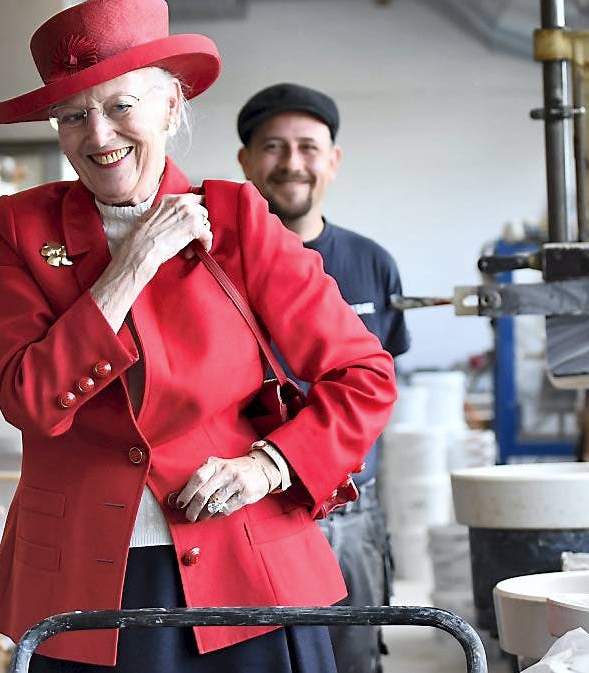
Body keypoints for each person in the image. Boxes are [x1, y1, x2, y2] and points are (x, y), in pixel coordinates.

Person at [0, 1, 396, 670]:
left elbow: (364, 375)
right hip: (83, 580)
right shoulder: (19, 230)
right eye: (74, 115)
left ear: (170, 105)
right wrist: (134, 262)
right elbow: (28, 397)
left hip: (246, 572)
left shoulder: (237, 218)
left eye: (120, 106)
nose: (98, 133)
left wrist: (269, 465)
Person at [235, 82, 407, 673]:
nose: (291, 163)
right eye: (273, 147)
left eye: (308, 147)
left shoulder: (373, 263)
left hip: (350, 514)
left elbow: (379, 386)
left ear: (332, 159)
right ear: (245, 162)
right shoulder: (212, 261)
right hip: (246, 512)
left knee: (352, 658)